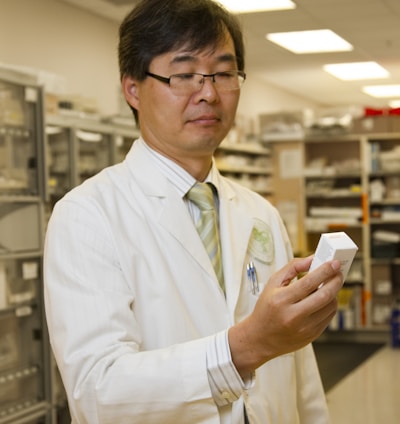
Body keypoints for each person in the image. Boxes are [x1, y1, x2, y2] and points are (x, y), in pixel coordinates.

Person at [44, 0, 343, 423]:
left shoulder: (260, 212)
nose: (209, 93)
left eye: (224, 73)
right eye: (184, 75)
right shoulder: (87, 215)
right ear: (132, 88)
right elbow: (97, 390)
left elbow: (301, 377)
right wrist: (242, 348)